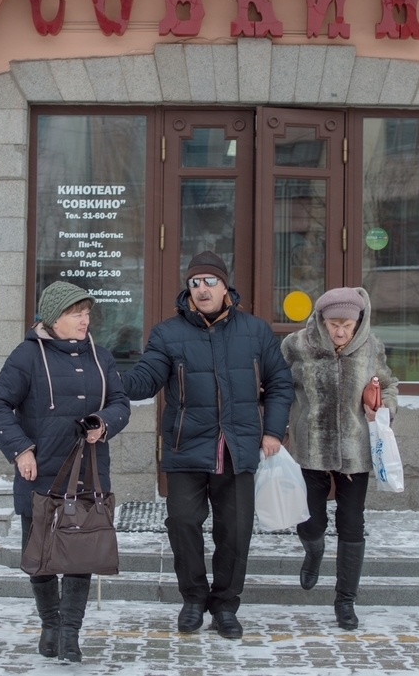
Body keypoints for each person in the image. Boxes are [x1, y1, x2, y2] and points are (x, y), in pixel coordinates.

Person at [122, 251, 294, 639]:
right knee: (183, 524)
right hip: (186, 447)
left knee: (235, 532)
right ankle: (194, 600)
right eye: (195, 282)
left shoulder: (256, 331)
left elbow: (281, 383)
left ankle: (226, 605)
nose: (201, 289)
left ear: (225, 286)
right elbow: (147, 380)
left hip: (238, 448)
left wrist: (272, 431)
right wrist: (108, 378)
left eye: (209, 281)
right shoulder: (168, 333)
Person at [0, 281, 130, 663]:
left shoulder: (102, 356)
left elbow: (120, 402)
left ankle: (70, 633)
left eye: (86, 313)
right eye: (75, 313)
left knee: (81, 556)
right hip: (41, 473)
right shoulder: (26, 356)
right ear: (54, 318)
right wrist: (20, 450)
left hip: (88, 473)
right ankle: (50, 624)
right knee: (40, 556)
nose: (84, 320)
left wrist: (105, 421)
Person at [281, 286, 399, 631]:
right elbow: (277, 386)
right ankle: (314, 551)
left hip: (355, 452)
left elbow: (389, 385)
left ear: (359, 321)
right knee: (310, 520)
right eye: (334, 323)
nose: (341, 331)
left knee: (352, 523)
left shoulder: (371, 346)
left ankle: (345, 600)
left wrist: (384, 408)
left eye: (348, 324)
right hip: (310, 447)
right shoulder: (296, 346)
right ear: (320, 319)